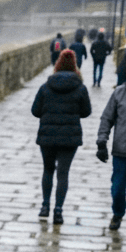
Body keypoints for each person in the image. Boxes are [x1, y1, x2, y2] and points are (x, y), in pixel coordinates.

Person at [30, 49, 92, 224]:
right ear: (75, 66)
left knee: (48, 170)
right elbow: (86, 112)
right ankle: (58, 210)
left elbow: (35, 111)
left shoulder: (46, 86)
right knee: (63, 173)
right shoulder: (80, 87)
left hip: (47, 137)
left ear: (57, 65)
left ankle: (44, 206)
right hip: (69, 137)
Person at [97, 63, 126, 240]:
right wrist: (101, 141)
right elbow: (107, 118)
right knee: (118, 188)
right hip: (121, 150)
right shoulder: (119, 93)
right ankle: (118, 212)